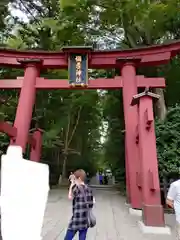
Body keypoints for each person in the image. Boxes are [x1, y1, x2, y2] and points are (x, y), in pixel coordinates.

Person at [65, 169, 94, 240]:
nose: (74, 180)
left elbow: (70, 197)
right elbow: (91, 204)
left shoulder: (76, 188)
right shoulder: (89, 189)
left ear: (79, 178)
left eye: (75, 178)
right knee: (82, 237)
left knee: (68, 237)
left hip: (76, 219)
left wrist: (72, 185)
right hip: (85, 219)